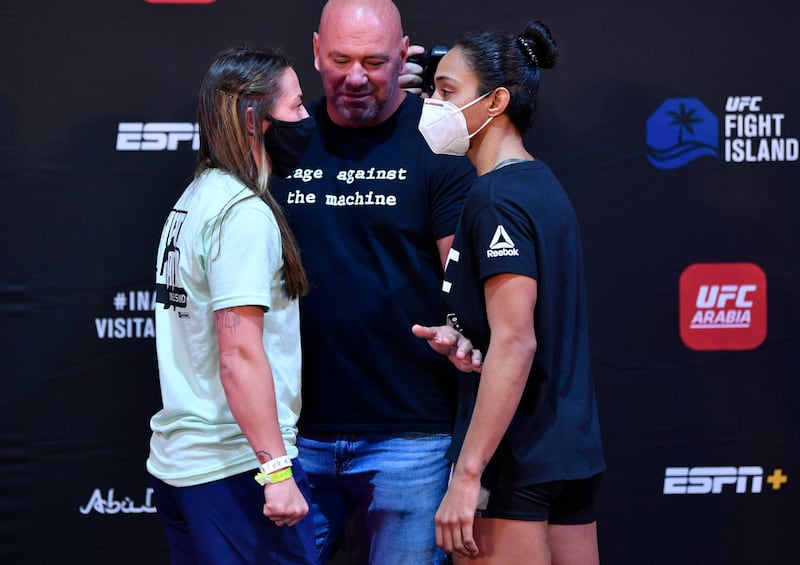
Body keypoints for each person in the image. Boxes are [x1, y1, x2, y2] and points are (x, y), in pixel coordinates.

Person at [269, 1, 476, 563]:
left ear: (403, 53)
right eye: (339, 59)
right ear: (315, 51)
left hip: (410, 435)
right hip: (290, 437)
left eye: (374, 61)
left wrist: (467, 333)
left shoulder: (439, 143)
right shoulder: (282, 141)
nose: (356, 77)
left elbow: (469, 284)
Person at [412, 20, 606, 564]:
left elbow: (518, 342)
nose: (432, 104)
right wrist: (468, 340)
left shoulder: (495, 198)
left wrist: (467, 474)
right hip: (569, 455)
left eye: (447, 92)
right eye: (433, 91)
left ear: (496, 101)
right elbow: (521, 330)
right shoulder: (540, 184)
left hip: (517, 458)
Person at [146, 45, 318, 564]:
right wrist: (277, 472)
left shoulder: (196, 197)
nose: (307, 120)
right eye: (296, 107)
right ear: (253, 118)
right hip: (235, 470)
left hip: (189, 470)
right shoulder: (241, 213)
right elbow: (238, 354)